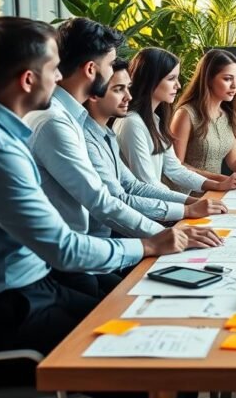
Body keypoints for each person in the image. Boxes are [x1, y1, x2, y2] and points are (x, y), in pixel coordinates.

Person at [0, 17, 192, 391]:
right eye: (53, 69)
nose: (59, 77)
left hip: (14, 291)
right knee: (151, 353)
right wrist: (147, 244)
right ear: (28, 79)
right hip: (6, 312)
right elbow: (64, 249)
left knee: (147, 318)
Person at [24, 19, 222, 297]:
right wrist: (162, 235)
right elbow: (102, 201)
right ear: (92, 69)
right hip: (70, 261)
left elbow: (126, 188)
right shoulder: (55, 122)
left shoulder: (74, 118)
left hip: (90, 253)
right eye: (111, 64)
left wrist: (182, 218)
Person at [83, 57, 228, 238]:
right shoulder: (128, 124)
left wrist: (193, 203)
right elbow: (128, 194)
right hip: (118, 233)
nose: (178, 85)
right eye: (119, 89)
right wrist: (186, 210)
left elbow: (135, 185)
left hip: (134, 226)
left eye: (127, 88)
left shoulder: (125, 128)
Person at [114, 48, 236, 193]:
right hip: (143, 211)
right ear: (151, 79)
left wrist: (217, 185)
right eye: (171, 79)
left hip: (158, 206)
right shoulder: (132, 123)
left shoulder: (155, 121)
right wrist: (190, 204)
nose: (178, 85)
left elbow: (174, 169)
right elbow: (148, 184)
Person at [170, 49, 236, 185]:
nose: (234, 85)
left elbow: (235, 160)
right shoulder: (185, 114)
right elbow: (175, 166)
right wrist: (221, 179)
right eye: (227, 79)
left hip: (215, 190)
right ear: (208, 79)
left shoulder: (226, 115)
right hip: (186, 194)